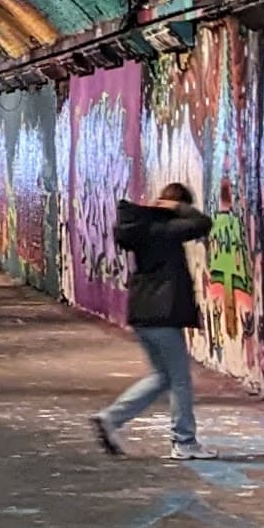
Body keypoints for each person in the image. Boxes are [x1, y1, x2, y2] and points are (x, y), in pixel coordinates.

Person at [95, 182, 212, 459]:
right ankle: (184, 441)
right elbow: (202, 223)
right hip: (163, 315)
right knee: (180, 379)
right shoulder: (166, 230)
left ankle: (110, 419)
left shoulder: (145, 229)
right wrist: (178, 208)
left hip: (143, 315)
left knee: (163, 377)